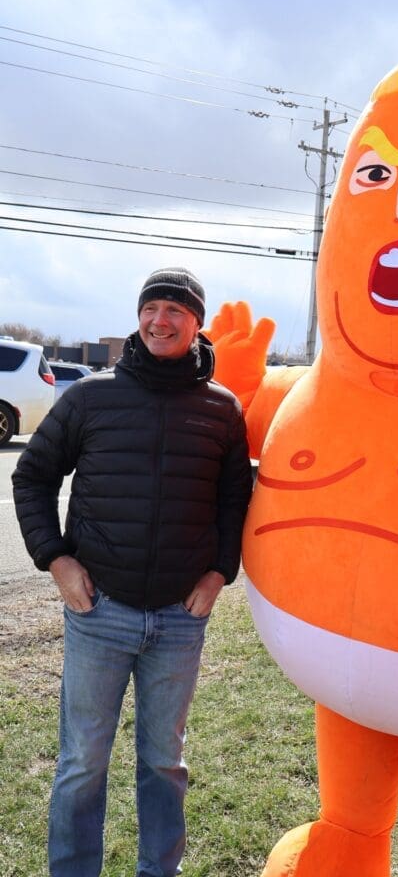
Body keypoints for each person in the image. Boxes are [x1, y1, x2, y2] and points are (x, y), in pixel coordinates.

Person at [12, 267, 253, 877]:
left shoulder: (222, 409)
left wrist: (219, 573)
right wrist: (56, 559)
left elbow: (234, 501)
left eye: (175, 310)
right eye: (151, 308)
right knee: (82, 763)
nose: (159, 321)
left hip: (179, 620)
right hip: (100, 612)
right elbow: (32, 476)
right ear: (138, 316)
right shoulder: (90, 397)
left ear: (197, 324)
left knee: (165, 763)